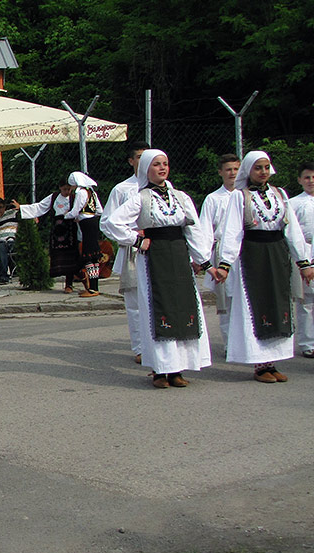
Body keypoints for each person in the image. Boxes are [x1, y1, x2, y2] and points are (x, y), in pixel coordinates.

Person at [103, 150, 212, 388]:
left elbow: (194, 229)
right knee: (157, 308)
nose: (162, 168)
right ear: (145, 169)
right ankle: (160, 370)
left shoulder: (181, 197)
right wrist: (136, 240)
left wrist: (204, 261)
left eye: (165, 163)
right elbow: (112, 222)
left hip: (179, 256)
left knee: (182, 307)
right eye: (156, 164)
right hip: (154, 258)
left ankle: (177, 368)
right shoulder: (140, 198)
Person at [213, 151, 314, 382]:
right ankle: (260, 365)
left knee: (277, 303)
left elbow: (292, 229)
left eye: (266, 167)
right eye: (258, 168)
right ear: (249, 170)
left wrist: (304, 262)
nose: (263, 172)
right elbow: (233, 231)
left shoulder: (279, 194)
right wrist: (225, 263)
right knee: (256, 305)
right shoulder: (240, 196)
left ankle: (273, 361)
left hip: (277, 253)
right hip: (253, 254)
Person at [101, 142, 149, 362]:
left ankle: (160, 343)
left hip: (158, 249)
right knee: (135, 304)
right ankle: (140, 348)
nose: (143, 161)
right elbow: (106, 223)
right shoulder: (122, 189)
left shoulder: (164, 188)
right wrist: (130, 236)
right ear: (131, 161)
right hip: (133, 251)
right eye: (139, 157)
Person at [197, 154, 241, 345]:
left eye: (236, 169)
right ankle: (230, 343)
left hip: (245, 251)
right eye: (228, 169)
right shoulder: (213, 198)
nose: (233, 173)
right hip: (223, 251)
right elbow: (206, 230)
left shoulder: (247, 195)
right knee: (226, 300)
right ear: (220, 172)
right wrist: (202, 258)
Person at [13, 179, 80, 292]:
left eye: (69, 189)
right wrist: (22, 207)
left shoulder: (74, 198)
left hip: (70, 232)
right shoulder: (54, 197)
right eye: (65, 189)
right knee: (58, 256)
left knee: (71, 257)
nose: (67, 192)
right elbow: (40, 207)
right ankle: (61, 277)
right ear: (60, 188)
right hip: (57, 233)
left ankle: (69, 284)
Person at [65, 171, 103, 297]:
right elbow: (99, 210)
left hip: (85, 224)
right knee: (93, 254)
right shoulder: (92, 192)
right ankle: (93, 286)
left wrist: (66, 216)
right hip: (93, 222)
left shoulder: (81, 193)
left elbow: (75, 211)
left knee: (88, 255)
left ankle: (93, 288)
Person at [290, 160, 314, 359]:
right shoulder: (294, 203)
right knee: (307, 301)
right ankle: (308, 343)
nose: (311, 181)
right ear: (299, 180)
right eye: (307, 177)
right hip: (305, 251)